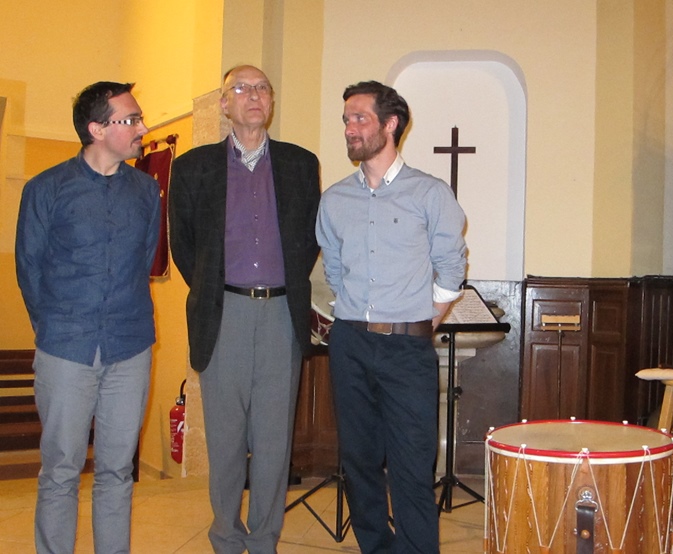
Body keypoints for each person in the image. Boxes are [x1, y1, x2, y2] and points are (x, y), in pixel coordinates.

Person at [168, 64, 320, 553]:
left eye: (262, 89)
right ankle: (226, 537)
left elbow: (308, 241)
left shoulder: (300, 163)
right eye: (242, 89)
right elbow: (185, 247)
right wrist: (219, 290)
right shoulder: (193, 167)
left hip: (281, 316)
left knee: (275, 440)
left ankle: (265, 539)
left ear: (270, 102)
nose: (253, 96)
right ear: (224, 104)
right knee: (226, 438)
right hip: (224, 313)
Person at [315, 80, 467, 554]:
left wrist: (425, 318)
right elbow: (335, 271)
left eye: (360, 118)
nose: (349, 128)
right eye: (345, 120)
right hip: (350, 345)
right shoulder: (335, 199)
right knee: (358, 462)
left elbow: (452, 265)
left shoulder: (429, 192)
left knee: (412, 465)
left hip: (407, 349)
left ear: (391, 123)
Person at [15, 82, 160, 554]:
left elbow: (143, 260)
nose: (143, 128)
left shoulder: (145, 191)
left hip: (130, 344)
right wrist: (58, 327)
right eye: (131, 120)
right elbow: (29, 269)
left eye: (140, 118)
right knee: (60, 470)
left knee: (118, 470)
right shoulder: (46, 189)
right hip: (66, 348)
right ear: (97, 129)